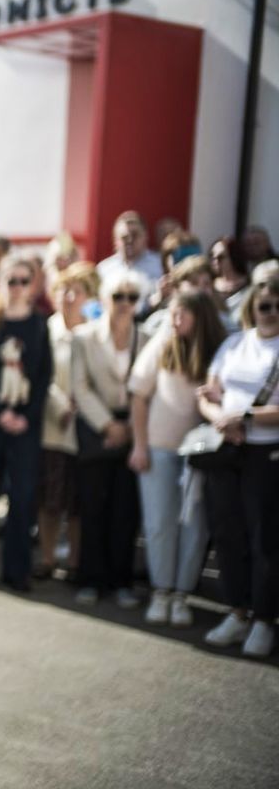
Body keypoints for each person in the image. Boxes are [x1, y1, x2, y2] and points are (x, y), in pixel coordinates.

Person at [128, 290, 225, 626]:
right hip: (158, 450)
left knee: (195, 526)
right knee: (158, 524)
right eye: (172, 312)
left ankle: (182, 594)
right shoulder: (161, 344)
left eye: (181, 313)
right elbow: (138, 396)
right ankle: (162, 591)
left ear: (200, 316)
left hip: (200, 455)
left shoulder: (219, 350)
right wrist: (139, 446)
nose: (174, 319)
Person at [196, 274, 279, 658]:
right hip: (226, 449)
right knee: (227, 531)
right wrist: (219, 419)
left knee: (265, 538)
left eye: (278, 305)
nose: (272, 312)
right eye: (265, 304)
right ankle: (237, 611)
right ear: (253, 307)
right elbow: (207, 392)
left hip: (267, 453)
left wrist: (242, 415)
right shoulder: (234, 343)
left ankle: (264, 619)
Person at [0, 255, 53, 590]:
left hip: (24, 424)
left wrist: (24, 416)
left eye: (23, 281)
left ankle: (18, 570)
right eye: (10, 280)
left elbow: (44, 377)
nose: (17, 287)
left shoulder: (39, 324)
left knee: (22, 495)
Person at [71, 271, 148, 607]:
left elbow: (147, 389)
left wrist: (131, 426)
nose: (125, 304)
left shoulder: (146, 338)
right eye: (118, 296)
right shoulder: (84, 337)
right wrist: (107, 426)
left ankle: (121, 582)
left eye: (132, 297)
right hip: (96, 429)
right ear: (105, 300)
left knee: (125, 511)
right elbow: (80, 386)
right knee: (93, 507)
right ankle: (90, 579)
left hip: (133, 428)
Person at [37, 263, 99, 580]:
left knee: (78, 504)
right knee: (50, 500)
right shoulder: (46, 330)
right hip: (53, 427)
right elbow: (39, 376)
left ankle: (75, 562)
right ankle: (47, 558)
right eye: (63, 289)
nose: (69, 296)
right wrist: (61, 406)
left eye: (77, 290)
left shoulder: (94, 333)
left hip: (87, 431)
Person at [96, 211, 163, 309]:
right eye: (124, 237)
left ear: (145, 237)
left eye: (135, 235)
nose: (130, 240)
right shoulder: (104, 269)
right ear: (115, 241)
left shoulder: (159, 264)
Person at [210, 236, 251, 330]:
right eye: (212, 257)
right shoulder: (208, 284)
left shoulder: (250, 284)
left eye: (221, 257)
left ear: (234, 256)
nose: (215, 261)